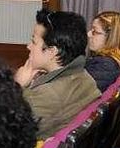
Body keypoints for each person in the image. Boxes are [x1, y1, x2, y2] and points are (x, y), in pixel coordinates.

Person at [14, 9, 100, 139]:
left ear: (52, 51)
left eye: (34, 42)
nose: (28, 46)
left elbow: (0, 132)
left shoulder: (46, 97)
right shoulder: (84, 76)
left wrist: (16, 87)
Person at [84, 11, 120, 92]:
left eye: (95, 31)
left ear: (111, 38)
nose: (88, 34)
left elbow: (76, 95)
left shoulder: (105, 65)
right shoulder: (119, 60)